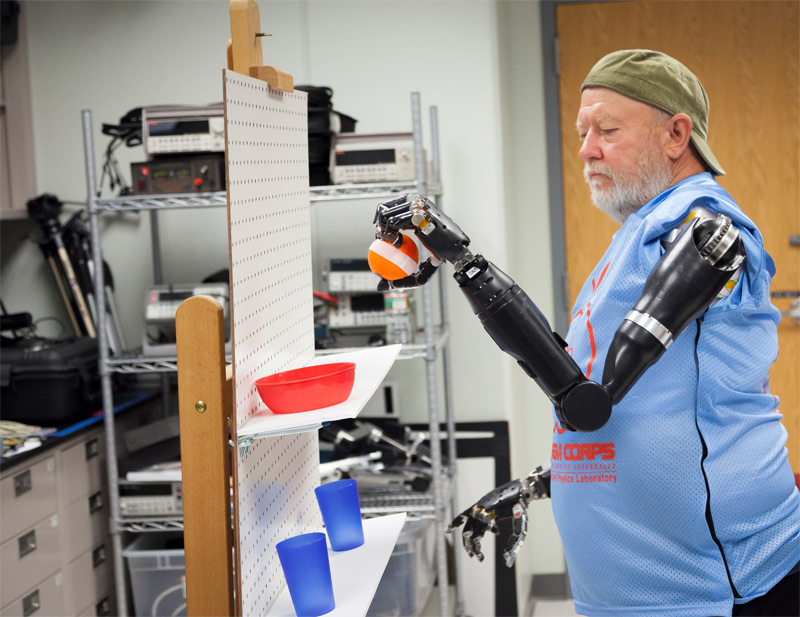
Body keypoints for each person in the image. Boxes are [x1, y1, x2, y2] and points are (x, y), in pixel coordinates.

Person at [547, 49, 800, 616]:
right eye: (583, 131)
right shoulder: (640, 228)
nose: (586, 149)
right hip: (639, 587)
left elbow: (604, 394)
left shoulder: (703, 224)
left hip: (709, 584)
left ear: (676, 135)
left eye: (607, 130)